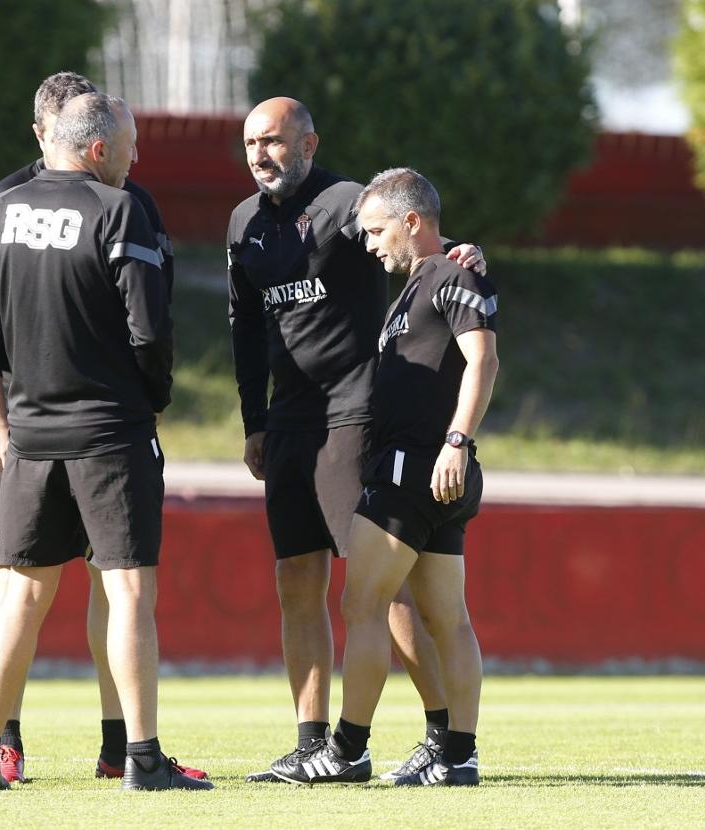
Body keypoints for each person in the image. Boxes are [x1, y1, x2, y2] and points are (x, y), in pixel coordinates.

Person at [0, 92, 212, 792]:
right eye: (128, 144)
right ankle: (142, 758)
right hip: (109, 434)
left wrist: (7, 411)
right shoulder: (117, 210)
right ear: (97, 149)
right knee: (127, 593)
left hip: (28, 436)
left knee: (18, 597)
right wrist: (151, 397)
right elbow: (150, 331)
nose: (136, 156)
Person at [227, 97, 486, 782]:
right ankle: (314, 739)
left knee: (382, 591)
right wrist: (255, 419)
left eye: (275, 140)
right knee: (296, 582)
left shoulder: (344, 203)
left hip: (354, 418)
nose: (261, 154)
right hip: (287, 425)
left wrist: (460, 251)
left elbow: (404, 226)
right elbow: (245, 330)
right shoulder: (242, 224)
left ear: (308, 143)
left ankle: (439, 732)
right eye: (251, 142)